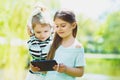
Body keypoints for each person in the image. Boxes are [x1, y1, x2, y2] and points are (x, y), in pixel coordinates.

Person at [45, 9, 86, 80]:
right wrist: (36, 69)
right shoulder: (52, 45)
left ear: (73, 25)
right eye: (57, 26)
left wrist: (66, 69)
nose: (59, 29)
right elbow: (45, 70)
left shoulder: (77, 47)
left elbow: (80, 72)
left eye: (63, 26)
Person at [25, 2, 53, 80]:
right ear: (33, 31)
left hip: (49, 76)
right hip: (34, 76)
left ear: (51, 29)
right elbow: (36, 53)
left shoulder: (52, 40)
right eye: (38, 32)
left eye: (46, 31)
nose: (42, 35)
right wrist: (31, 36)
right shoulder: (33, 42)